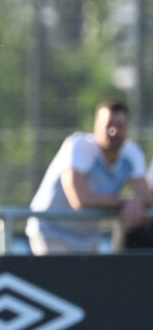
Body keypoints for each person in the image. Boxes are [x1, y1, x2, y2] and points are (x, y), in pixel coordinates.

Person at [26, 99, 152, 255]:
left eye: (120, 126)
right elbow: (79, 199)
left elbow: (146, 195)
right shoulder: (77, 146)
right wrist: (126, 203)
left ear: (127, 130)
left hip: (88, 237)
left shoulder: (132, 154)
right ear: (95, 127)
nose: (114, 131)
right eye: (108, 125)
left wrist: (138, 201)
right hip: (51, 230)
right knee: (61, 280)